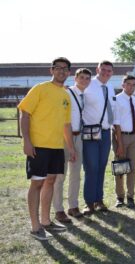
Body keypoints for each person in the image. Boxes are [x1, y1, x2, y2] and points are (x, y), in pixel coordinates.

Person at [18, 57, 76, 240]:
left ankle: (45, 221)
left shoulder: (66, 95)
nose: (61, 71)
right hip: (39, 146)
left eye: (65, 68)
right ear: (51, 70)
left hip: (57, 147)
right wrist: (26, 140)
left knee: (50, 181)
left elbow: (66, 125)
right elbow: (25, 113)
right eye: (57, 68)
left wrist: (71, 148)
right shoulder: (40, 89)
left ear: (69, 72)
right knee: (37, 183)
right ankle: (35, 228)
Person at [52, 68, 92, 222]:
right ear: (75, 78)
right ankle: (58, 209)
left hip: (79, 136)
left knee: (76, 174)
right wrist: (70, 145)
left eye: (87, 78)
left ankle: (73, 206)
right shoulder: (67, 93)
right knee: (60, 175)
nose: (84, 80)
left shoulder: (84, 95)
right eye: (81, 77)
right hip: (63, 137)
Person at [82, 60, 116, 215]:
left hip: (105, 132)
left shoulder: (109, 86)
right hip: (91, 132)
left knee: (101, 167)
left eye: (109, 70)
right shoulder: (88, 84)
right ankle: (89, 202)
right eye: (103, 69)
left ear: (112, 72)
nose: (106, 72)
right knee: (91, 167)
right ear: (97, 69)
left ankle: (98, 200)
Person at [112, 75, 135, 208]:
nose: (131, 87)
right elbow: (116, 124)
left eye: (134, 84)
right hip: (121, 136)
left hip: (134, 136)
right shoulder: (117, 100)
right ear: (123, 85)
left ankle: (130, 196)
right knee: (120, 167)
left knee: (132, 168)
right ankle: (119, 196)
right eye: (128, 84)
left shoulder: (134, 100)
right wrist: (120, 144)